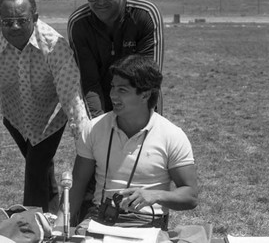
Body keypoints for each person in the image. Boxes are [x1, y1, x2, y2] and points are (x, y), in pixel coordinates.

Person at [0, 0, 90, 213]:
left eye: (22, 20)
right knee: (42, 172)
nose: (15, 27)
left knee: (35, 169)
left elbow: (71, 99)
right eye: (7, 21)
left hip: (50, 117)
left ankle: (29, 223)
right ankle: (50, 221)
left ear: (35, 18)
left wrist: (86, 146)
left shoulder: (54, 46)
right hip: (15, 117)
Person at [55, 55, 197, 232]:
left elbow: (190, 195)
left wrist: (156, 195)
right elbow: (76, 187)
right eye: (113, 87)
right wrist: (59, 228)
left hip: (146, 221)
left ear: (145, 94)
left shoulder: (172, 136)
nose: (113, 95)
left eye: (122, 90)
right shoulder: (93, 129)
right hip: (99, 216)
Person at [68, 0, 164, 119]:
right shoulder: (79, 24)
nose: (100, 1)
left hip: (142, 104)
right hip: (101, 104)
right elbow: (89, 82)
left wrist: (135, 124)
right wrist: (99, 125)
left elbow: (148, 80)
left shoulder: (145, 15)